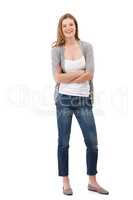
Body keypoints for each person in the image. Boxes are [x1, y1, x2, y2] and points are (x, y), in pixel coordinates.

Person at [51, 13, 109, 195]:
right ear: (61, 29)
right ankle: (65, 182)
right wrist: (79, 74)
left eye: (71, 25)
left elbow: (90, 74)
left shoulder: (86, 47)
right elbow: (57, 78)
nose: (68, 28)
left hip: (83, 100)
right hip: (64, 100)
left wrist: (69, 76)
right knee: (63, 142)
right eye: (65, 25)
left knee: (92, 142)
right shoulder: (57, 50)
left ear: (76, 26)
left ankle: (92, 181)